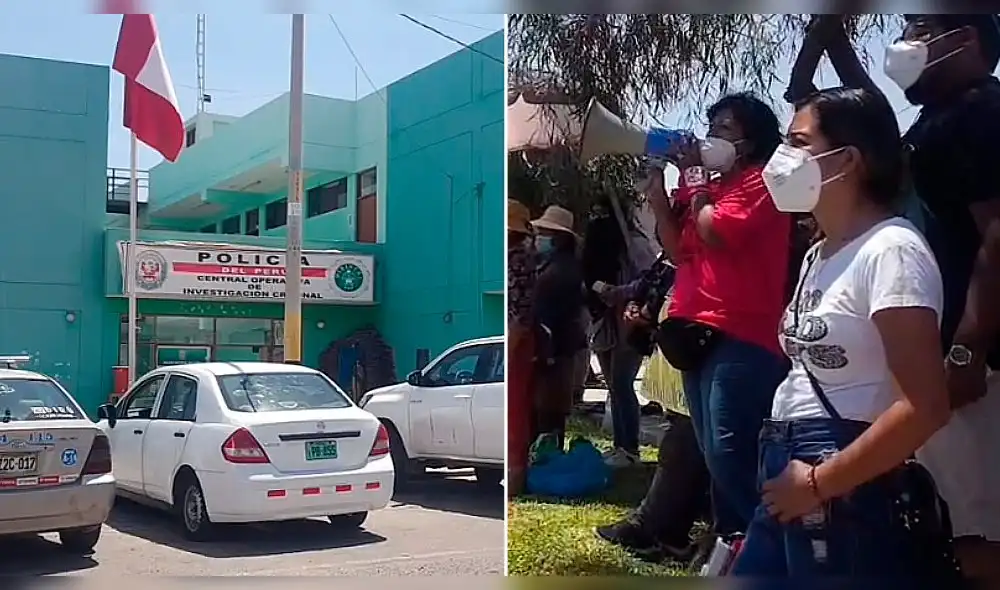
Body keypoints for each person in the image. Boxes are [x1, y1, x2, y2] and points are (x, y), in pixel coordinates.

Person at [797, 14, 1000, 578]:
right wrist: (835, 47)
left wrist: (968, 349)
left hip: (972, 367)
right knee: (945, 525)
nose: (904, 42)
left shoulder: (980, 113)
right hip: (946, 360)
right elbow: (876, 131)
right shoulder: (941, 119)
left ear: (965, 40)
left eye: (919, 29)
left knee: (973, 535)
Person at [731, 86, 953, 577]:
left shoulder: (891, 250)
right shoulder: (820, 253)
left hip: (840, 481)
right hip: (789, 464)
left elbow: (925, 405)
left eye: (798, 142)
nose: (781, 159)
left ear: (847, 159)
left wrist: (820, 482)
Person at [644, 92, 791, 539]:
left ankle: (776, 541)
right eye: (712, 127)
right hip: (698, 328)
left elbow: (718, 231)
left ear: (751, 141)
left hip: (741, 331)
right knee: (713, 451)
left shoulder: (762, 182)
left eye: (725, 128)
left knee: (730, 450)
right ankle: (739, 544)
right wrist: (658, 195)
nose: (711, 137)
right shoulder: (707, 189)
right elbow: (678, 250)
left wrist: (694, 178)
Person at [582, 208, 646, 467]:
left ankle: (630, 448)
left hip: (628, 325)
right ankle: (621, 445)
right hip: (605, 324)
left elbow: (647, 282)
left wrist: (615, 292)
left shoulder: (633, 247)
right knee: (614, 386)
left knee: (622, 384)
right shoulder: (598, 253)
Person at [530, 205, 587, 450]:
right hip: (558, 348)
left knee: (549, 411)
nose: (539, 237)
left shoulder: (560, 271)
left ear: (559, 238)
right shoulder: (556, 265)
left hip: (555, 350)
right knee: (550, 411)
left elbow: (550, 315)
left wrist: (545, 352)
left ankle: (548, 457)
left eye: (545, 233)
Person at [507, 199, 537, 496]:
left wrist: (511, 349)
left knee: (514, 410)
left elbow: (519, 314)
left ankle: (516, 475)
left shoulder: (518, 259)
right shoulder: (519, 256)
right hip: (519, 338)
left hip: (518, 339)